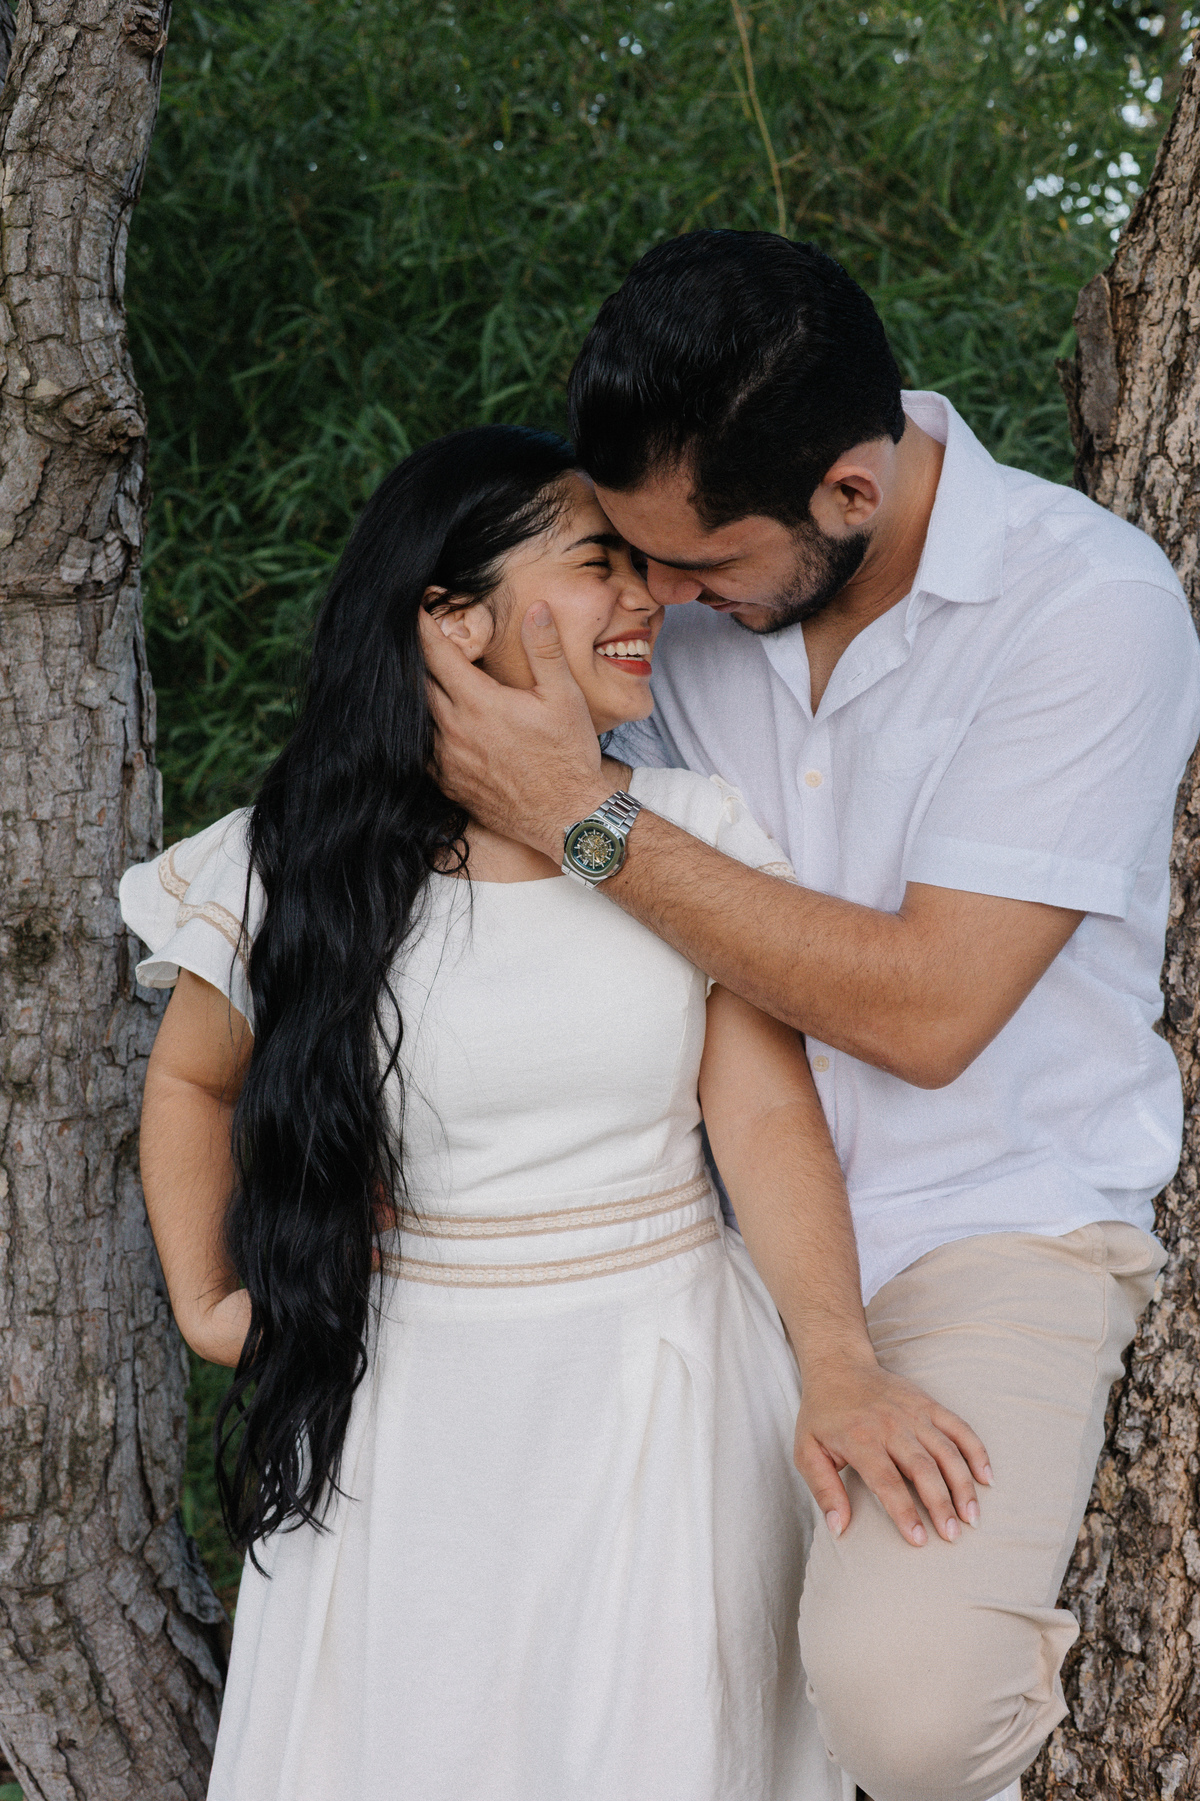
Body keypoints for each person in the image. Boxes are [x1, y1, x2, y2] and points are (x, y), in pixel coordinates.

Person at [420, 234, 1200, 1801]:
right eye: (633, 557)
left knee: (913, 1711)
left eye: (697, 565)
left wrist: (586, 814)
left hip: (983, 1227)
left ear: (850, 491)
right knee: (515, 1660)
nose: (658, 600)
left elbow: (928, 1011)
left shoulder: (1087, 607)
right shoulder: (680, 607)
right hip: (676, 1223)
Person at [120, 425, 988, 1801]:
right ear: (452, 620)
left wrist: (837, 1360)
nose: (648, 601)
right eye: (600, 566)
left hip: (666, 1391)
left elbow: (766, 1123)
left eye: (645, 568)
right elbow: (194, 1079)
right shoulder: (290, 862)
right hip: (410, 1408)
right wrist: (208, 1300)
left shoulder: (689, 833)